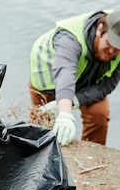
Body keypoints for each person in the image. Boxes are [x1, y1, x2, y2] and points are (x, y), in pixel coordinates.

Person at [29, 10, 120, 147]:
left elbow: (108, 84)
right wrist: (65, 114)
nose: (112, 51)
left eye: (117, 48)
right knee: (40, 123)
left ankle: (92, 155)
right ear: (99, 29)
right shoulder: (70, 39)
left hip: (86, 80)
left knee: (99, 114)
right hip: (50, 81)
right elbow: (65, 72)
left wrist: (75, 101)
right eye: (108, 43)